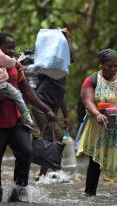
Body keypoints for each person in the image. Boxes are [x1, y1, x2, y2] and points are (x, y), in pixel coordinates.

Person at [0, 32, 56, 202]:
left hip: (17, 120)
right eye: (9, 47)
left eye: (14, 47)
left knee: (26, 152)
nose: (13, 51)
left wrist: (46, 109)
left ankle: (18, 193)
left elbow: (27, 91)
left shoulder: (16, 66)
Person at [76, 49, 117, 196]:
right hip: (100, 126)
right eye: (110, 66)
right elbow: (87, 101)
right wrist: (97, 113)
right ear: (102, 65)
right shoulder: (92, 80)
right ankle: (90, 195)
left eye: (116, 65)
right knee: (96, 160)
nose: (114, 69)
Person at [31, 27, 74, 178]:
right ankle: (56, 171)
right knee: (55, 135)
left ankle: (43, 175)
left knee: (51, 138)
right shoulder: (48, 65)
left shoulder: (62, 70)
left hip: (53, 105)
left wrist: (66, 115)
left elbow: (61, 94)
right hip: (41, 104)